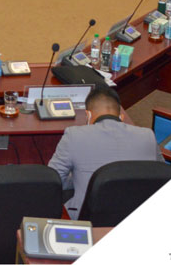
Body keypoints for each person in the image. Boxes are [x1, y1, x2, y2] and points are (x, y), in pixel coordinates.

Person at [48, 86, 162, 220]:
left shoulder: (74, 135)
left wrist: (77, 177)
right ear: (121, 117)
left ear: (88, 115)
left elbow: (54, 180)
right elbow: (160, 175)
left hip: (89, 219)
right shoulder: (147, 135)